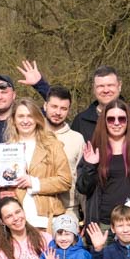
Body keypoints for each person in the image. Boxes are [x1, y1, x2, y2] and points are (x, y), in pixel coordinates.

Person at [75, 99, 130, 235]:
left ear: (128, 121)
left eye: (121, 119)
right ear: (104, 122)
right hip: (103, 225)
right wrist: (91, 166)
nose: (116, 123)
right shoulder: (95, 148)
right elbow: (82, 187)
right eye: (111, 119)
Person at [0, 98, 72, 232]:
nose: (25, 121)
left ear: (37, 118)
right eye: (21, 116)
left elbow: (65, 180)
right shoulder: (5, 149)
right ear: (13, 119)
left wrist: (34, 182)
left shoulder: (52, 145)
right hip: (15, 221)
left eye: (30, 116)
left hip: (43, 220)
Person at [70, 66, 130, 149]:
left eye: (110, 85)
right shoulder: (81, 121)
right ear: (94, 89)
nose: (106, 90)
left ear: (119, 86)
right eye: (100, 86)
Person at [0, 64, 52, 145]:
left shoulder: (31, 118)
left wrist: (39, 84)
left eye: (4, 92)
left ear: (14, 95)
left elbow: (56, 105)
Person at [44, 86, 85, 222]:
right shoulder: (32, 135)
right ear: (45, 106)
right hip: (37, 208)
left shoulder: (77, 139)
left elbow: (81, 179)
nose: (58, 112)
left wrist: (86, 217)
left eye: (63, 108)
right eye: (54, 106)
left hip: (68, 209)